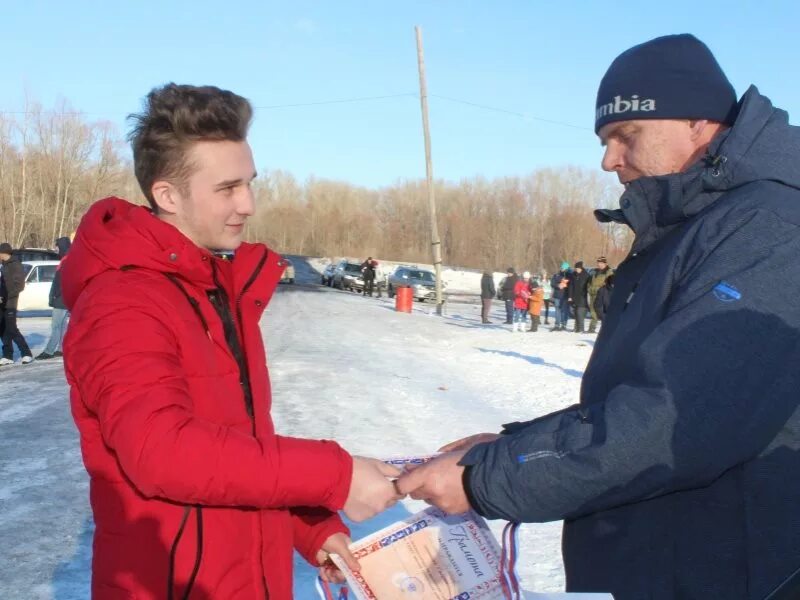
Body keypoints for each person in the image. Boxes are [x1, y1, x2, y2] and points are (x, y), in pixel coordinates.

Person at [396, 34, 800, 600]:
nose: (609, 160)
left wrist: (488, 476)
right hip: (666, 560)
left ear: (698, 121)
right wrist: (515, 445)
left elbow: (679, 421)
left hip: (728, 569)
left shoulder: (768, 227)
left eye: (625, 136)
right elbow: (632, 398)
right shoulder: (691, 225)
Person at [60, 84, 401, 600]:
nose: (248, 203)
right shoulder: (123, 301)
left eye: (249, 182)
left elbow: (237, 454)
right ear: (167, 195)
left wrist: (310, 528)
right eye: (227, 188)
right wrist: (334, 474)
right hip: (173, 585)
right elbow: (163, 452)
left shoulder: (216, 291)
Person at [37, 237, 72, 360]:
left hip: (61, 299)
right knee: (62, 326)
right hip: (63, 298)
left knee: (56, 325)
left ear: (62, 246)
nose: (55, 249)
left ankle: (49, 350)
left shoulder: (67, 260)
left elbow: (63, 281)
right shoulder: (67, 259)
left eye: (57, 246)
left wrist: (56, 295)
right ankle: (61, 349)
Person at [0, 243, 33, 365]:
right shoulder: (4, 265)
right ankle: (8, 355)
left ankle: (26, 353)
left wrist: (5, 296)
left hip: (10, 302)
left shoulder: (15, 265)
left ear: (3, 253)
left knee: (12, 329)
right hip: (2, 302)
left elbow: (19, 286)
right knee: (2, 329)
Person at [587, 257, 612, 333]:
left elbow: (610, 284)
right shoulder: (595, 271)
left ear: (605, 263)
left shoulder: (608, 272)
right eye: (598, 263)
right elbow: (590, 282)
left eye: (601, 263)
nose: (599, 264)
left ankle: (604, 329)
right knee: (592, 312)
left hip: (601, 295)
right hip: (592, 294)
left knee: (601, 313)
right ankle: (591, 329)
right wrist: (589, 288)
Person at [567, 261, 590, 333]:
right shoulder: (573, 275)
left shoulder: (586, 275)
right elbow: (571, 286)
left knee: (580, 313)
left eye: (578, 268)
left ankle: (581, 329)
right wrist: (570, 296)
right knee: (576, 313)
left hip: (583, 297)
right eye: (575, 268)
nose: (576, 270)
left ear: (581, 268)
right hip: (575, 297)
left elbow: (588, 287)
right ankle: (576, 328)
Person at [550, 262, 571, 332]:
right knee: (557, 310)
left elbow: (572, 285)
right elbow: (552, 283)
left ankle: (564, 324)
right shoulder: (556, 275)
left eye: (563, 268)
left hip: (565, 296)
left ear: (567, 268)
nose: (562, 269)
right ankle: (557, 324)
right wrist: (558, 285)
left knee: (564, 311)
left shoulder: (569, 275)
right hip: (557, 295)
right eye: (561, 267)